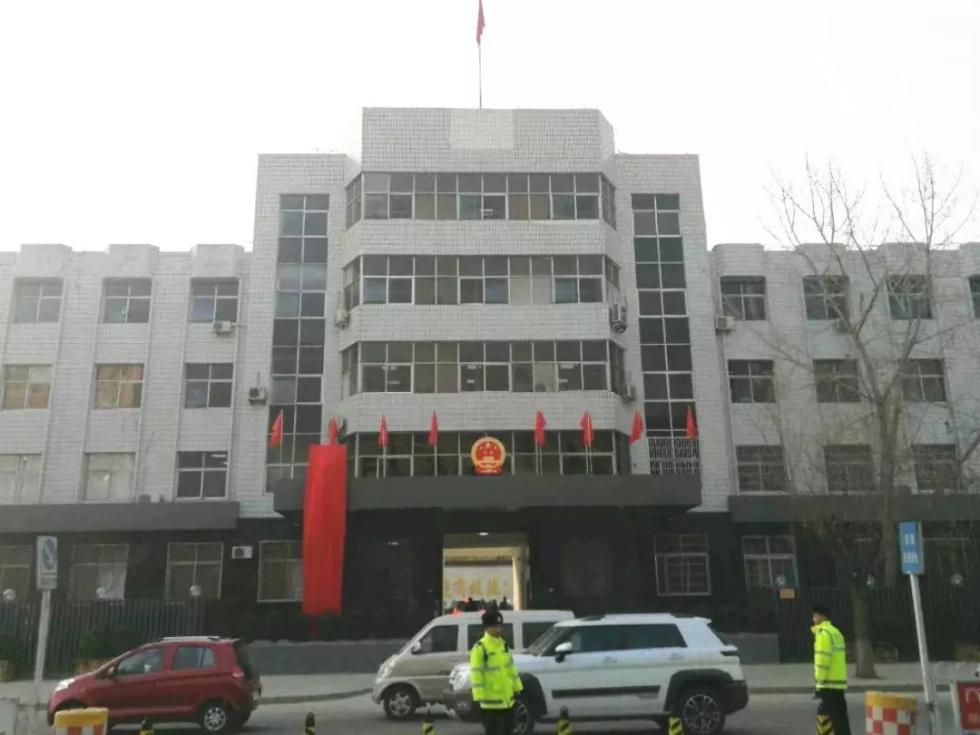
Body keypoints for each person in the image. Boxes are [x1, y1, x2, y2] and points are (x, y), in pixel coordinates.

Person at [470, 609, 523, 735]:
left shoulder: (503, 645)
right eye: (495, 626)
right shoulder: (480, 648)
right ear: (487, 627)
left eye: (500, 626)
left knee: (509, 730)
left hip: (508, 700)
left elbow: (511, 668)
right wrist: (478, 696)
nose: (499, 629)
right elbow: (476, 674)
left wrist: (518, 688)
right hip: (490, 702)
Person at [812, 604, 850, 735]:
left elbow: (822, 660)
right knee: (841, 718)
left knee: (832, 718)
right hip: (839, 683)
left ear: (823, 617)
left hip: (828, 683)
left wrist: (819, 683)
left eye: (816, 616)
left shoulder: (823, 633)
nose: (813, 619)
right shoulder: (836, 632)